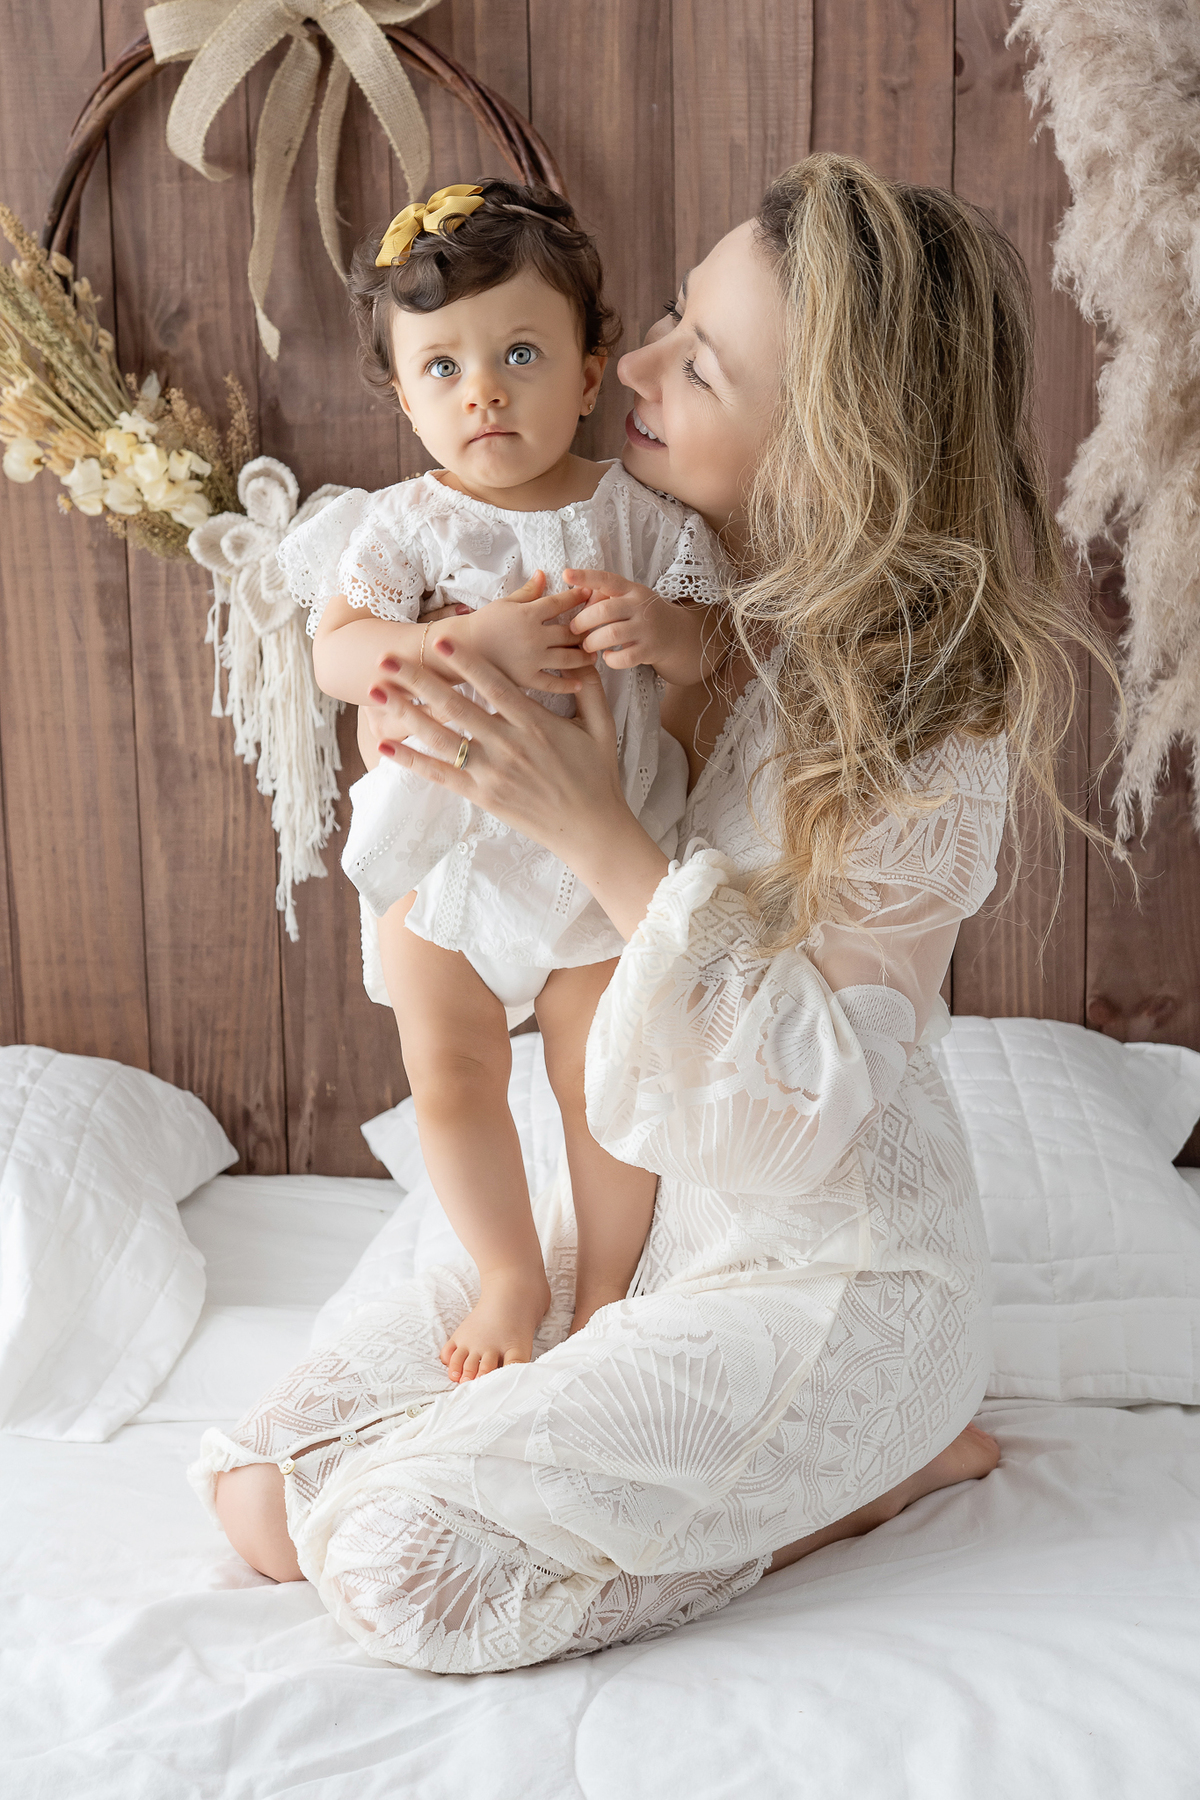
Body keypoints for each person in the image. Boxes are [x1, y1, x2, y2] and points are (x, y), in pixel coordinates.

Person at [197, 154, 1103, 1674]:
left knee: (402, 1564)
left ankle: (868, 1470)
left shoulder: (928, 722)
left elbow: (791, 1120)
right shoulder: (646, 568)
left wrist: (598, 834)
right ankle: (720, 1433)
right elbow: (384, 677)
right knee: (260, 1499)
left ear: (832, 444)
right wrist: (426, 703)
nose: (638, 367)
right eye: (672, 316)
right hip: (642, 1204)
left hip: (819, 1262)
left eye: (705, 363)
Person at [278, 180, 726, 1380]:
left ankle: (608, 1284)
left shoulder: (643, 519)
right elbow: (336, 653)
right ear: (403, 395)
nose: (482, 391)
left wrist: (663, 631)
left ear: (588, 375)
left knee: (603, 1071)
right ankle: (510, 1273)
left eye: (520, 354)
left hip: (596, 854)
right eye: (442, 367)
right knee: (451, 1070)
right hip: (446, 852)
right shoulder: (404, 527)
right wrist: (454, 643)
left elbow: (718, 651)